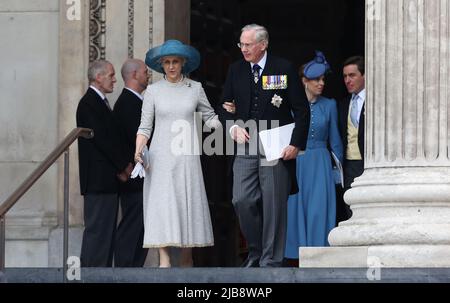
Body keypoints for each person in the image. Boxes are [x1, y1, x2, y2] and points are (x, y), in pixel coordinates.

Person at [219, 24, 310, 267]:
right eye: (241, 44)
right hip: (246, 142)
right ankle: (256, 251)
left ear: (263, 44)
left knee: (273, 203)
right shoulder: (236, 70)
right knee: (242, 199)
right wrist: (232, 127)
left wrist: (295, 144)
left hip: (276, 144)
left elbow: (301, 110)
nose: (243, 49)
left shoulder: (283, 68)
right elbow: (224, 106)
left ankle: (271, 259)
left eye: (248, 45)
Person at [134, 40, 221, 268]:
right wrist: (138, 150)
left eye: (175, 62)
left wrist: (231, 124)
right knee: (162, 204)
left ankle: (186, 258)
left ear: (183, 63)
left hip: (187, 156)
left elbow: (210, 117)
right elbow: (145, 127)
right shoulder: (152, 91)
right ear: (161, 65)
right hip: (160, 157)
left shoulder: (196, 88)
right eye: (167, 62)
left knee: (186, 202)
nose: (171, 66)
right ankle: (164, 259)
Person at [284, 51, 343, 262]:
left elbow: (335, 141)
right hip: (296, 161)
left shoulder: (330, 105)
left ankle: (319, 256)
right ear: (304, 81)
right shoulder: (290, 106)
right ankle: (295, 256)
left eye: (323, 79)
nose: (321, 83)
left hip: (320, 164)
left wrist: (338, 172)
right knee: (295, 207)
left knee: (319, 209)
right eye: (317, 79)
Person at [76, 60, 132, 267]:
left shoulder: (99, 102)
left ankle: (102, 275)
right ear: (98, 77)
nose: (114, 79)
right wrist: (123, 166)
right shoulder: (88, 103)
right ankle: (90, 276)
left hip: (107, 182)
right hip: (98, 182)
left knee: (106, 234)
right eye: (110, 75)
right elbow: (103, 140)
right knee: (98, 233)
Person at [112, 59, 150, 267]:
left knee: (140, 225)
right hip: (134, 176)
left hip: (139, 175)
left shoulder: (135, 102)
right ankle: (125, 271)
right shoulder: (128, 103)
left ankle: (134, 269)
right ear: (134, 74)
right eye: (145, 71)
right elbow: (134, 139)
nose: (148, 75)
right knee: (133, 224)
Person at [336, 56, 365, 223]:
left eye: (352, 75)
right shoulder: (342, 104)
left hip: (369, 163)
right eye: (345, 76)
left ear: (364, 76)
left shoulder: (376, 101)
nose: (347, 80)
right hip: (349, 166)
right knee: (350, 210)